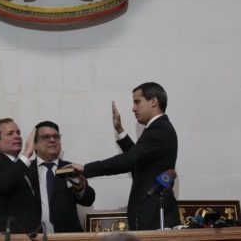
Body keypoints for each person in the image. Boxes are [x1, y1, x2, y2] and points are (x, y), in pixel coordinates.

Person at [68, 82, 179, 230]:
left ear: (153, 101)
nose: (133, 108)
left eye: (137, 102)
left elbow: (130, 159)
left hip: (154, 217)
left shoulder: (159, 129)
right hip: (149, 216)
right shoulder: (157, 128)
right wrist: (120, 131)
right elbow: (138, 158)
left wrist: (85, 168)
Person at [29, 121, 95, 233]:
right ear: (34, 144)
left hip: (67, 235)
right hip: (34, 235)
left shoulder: (71, 168)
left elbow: (88, 200)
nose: (52, 140)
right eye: (46, 137)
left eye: (56, 136)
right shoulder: (26, 170)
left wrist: (80, 189)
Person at [0, 118, 41, 234]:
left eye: (18, 133)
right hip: (6, 234)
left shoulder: (25, 166)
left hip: (32, 234)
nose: (17, 136)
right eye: (10, 133)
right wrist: (27, 153)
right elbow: (3, 184)